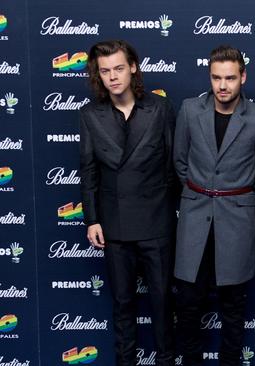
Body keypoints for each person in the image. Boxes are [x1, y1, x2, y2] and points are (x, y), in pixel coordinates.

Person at [173, 45, 255, 366]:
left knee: (233, 309)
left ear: (243, 77)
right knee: (189, 306)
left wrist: (245, 210)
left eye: (230, 78)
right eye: (216, 78)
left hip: (237, 223)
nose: (222, 86)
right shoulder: (190, 110)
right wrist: (199, 197)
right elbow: (179, 161)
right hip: (194, 221)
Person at [80, 40, 176, 366]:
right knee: (123, 305)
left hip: (156, 222)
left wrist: (163, 206)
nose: (113, 77)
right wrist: (92, 219)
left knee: (162, 304)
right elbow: (89, 170)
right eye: (105, 71)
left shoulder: (160, 108)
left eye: (119, 68)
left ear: (133, 67)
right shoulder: (90, 115)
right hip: (115, 225)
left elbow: (171, 167)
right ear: (98, 75)